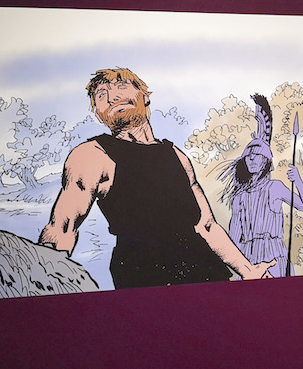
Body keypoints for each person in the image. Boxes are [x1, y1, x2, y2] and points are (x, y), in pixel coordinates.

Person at [38, 68, 275, 289]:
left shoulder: (177, 156)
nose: (112, 97)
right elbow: (62, 228)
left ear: (145, 96)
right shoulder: (92, 155)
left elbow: (207, 225)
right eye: (101, 95)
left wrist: (248, 270)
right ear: (99, 114)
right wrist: (41, 280)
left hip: (206, 274)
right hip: (145, 279)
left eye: (121, 86)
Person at [219, 94, 303, 278]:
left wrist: (298, 181)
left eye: (257, 155)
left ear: (266, 161)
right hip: (248, 259)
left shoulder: (275, 188)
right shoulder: (240, 196)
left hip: (274, 256)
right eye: (249, 156)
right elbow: (234, 237)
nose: (252, 159)